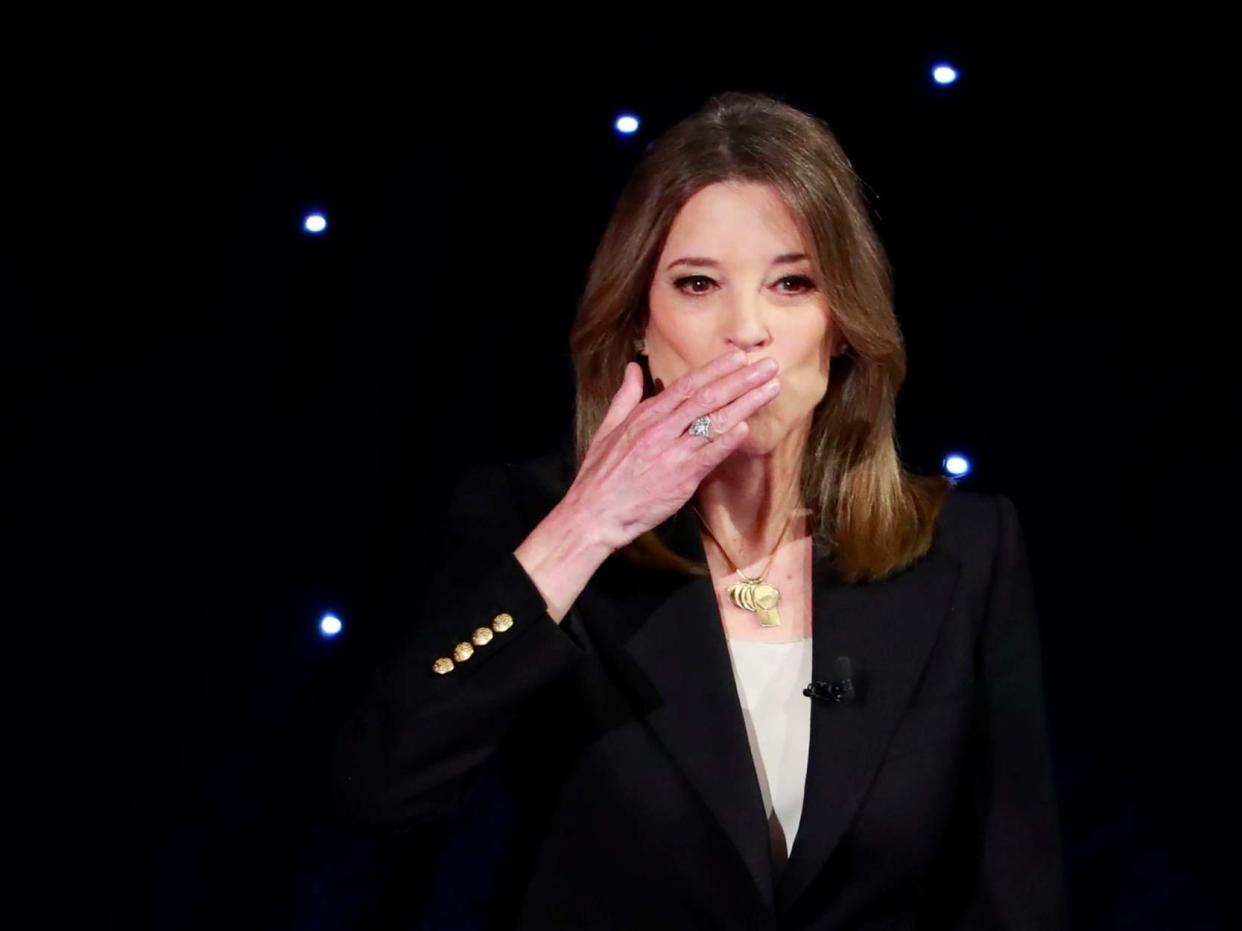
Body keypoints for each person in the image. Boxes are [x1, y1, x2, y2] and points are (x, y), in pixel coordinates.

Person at [332, 90, 1069, 930]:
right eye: (697, 283)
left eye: (792, 283)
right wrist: (588, 525)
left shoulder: (965, 549)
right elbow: (380, 786)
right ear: (640, 323)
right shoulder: (530, 520)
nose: (745, 328)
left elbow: (1015, 895)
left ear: (840, 326)